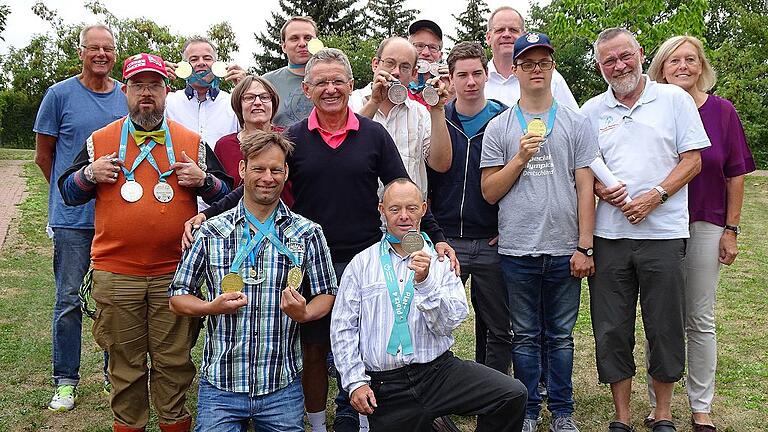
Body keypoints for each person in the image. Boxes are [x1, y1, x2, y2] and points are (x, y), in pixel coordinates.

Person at [182, 48, 458, 432]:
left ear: (350, 86)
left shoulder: (373, 134)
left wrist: (435, 236)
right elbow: (258, 185)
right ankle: (315, 423)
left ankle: (355, 414)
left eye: (338, 81)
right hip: (307, 256)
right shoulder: (293, 138)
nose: (330, 89)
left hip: (363, 257)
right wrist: (208, 214)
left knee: (362, 341)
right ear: (307, 90)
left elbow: (401, 189)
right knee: (312, 345)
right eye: (321, 83)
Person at [58, 53, 232, 432]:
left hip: (175, 273)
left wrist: (204, 180)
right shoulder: (100, 141)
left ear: (167, 91)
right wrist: (89, 174)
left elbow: (227, 194)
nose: (147, 94)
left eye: (155, 85)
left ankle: (173, 422)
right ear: (126, 91)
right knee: (125, 363)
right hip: (116, 274)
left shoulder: (192, 142)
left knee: (174, 362)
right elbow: (68, 193)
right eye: (139, 86)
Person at [581, 28, 711, 432]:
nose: (619, 66)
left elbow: (693, 161)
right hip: (610, 236)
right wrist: (604, 190)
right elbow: (584, 171)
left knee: (665, 325)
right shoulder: (591, 111)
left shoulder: (673, 99)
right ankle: (621, 417)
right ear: (599, 66)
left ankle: (664, 414)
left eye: (624, 56)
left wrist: (655, 195)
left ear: (639, 53)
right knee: (611, 327)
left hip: (664, 234)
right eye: (608, 61)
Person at [169, 131, 337, 431]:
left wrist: (306, 313)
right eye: (258, 168)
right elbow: (178, 296)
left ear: (286, 173)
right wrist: (211, 307)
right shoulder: (211, 233)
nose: (267, 178)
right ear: (243, 169)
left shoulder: (307, 233)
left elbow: (327, 291)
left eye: (276, 169)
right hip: (221, 384)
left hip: (280, 385)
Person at [330, 178, 527, 432]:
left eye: (411, 208)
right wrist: (355, 382)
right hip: (386, 385)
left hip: (438, 373)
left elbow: (449, 324)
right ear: (381, 211)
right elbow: (342, 329)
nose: (404, 216)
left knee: (511, 394)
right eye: (395, 209)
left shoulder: (442, 262)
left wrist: (425, 283)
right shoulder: (361, 265)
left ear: (423, 209)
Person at [480, 32, 597, 432]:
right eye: (527, 63)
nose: (535, 70)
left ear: (552, 68)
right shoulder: (498, 127)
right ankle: (528, 411)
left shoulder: (576, 123)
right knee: (526, 337)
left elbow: (585, 187)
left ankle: (563, 412)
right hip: (517, 249)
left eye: (542, 63)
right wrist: (519, 158)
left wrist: (585, 246)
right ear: (514, 70)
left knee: (561, 337)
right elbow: (490, 191)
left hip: (565, 248)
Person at [645, 35, 755, 432]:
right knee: (660, 316)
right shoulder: (650, 111)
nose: (683, 66)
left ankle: (701, 404)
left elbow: (736, 172)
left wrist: (732, 229)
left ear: (701, 65)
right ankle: (660, 404)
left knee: (699, 317)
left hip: (704, 222)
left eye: (691, 59)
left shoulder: (722, 112)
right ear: (661, 67)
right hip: (655, 226)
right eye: (674, 60)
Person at [33, 23, 126, 411]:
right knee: (69, 298)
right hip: (73, 219)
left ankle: (113, 374)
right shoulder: (59, 95)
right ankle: (66, 379)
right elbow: (44, 157)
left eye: (108, 48)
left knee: (114, 300)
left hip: (117, 216)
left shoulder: (126, 94)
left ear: (115, 54)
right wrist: (70, 194)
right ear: (81, 52)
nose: (101, 54)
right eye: (94, 48)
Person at [428, 41, 512, 375]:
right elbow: (428, 174)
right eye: (462, 75)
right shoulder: (437, 119)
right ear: (450, 78)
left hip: (491, 237)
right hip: (447, 237)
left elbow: (519, 180)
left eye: (477, 73)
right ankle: (436, 392)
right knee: (434, 321)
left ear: (487, 74)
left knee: (498, 327)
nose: (471, 81)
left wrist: (508, 226)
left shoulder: (505, 118)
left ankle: (491, 392)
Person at [349, 36, 452, 198]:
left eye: (404, 67)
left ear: (413, 73)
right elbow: (343, 148)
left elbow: (441, 164)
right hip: (361, 214)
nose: (396, 72)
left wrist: (438, 109)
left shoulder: (420, 112)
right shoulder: (351, 102)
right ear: (375, 64)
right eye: (390, 63)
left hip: (407, 217)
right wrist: (374, 102)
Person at [483, 7, 577, 109]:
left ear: (523, 35)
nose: (506, 34)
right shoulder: (476, 80)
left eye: (513, 30)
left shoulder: (552, 78)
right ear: (488, 38)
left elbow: (573, 120)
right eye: (499, 30)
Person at [165, 37, 242, 149]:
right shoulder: (168, 102)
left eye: (207, 58)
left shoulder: (233, 103)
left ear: (216, 64)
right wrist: (156, 80)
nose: (201, 63)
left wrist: (245, 89)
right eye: (194, 59)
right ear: (184, 66)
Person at [214, 75, 284, 185]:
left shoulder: (290, 138)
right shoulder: (224, 146)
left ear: (273, 103)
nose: (257, 102)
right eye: (249, 97)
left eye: (264, 97)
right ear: (238, 105)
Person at [263, 16, 318, 128]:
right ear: (284, 46)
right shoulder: (266, 82)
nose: (302, 43)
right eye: (294, 38)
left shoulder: (332, 80)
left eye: (308, 38)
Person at [407, 19, 451, 106]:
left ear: (440, 55)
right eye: (419, 46)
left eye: (433, 47)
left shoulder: (450, 86)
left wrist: (452, 95)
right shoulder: (397, 85)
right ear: (408, 51)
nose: (426, 52)